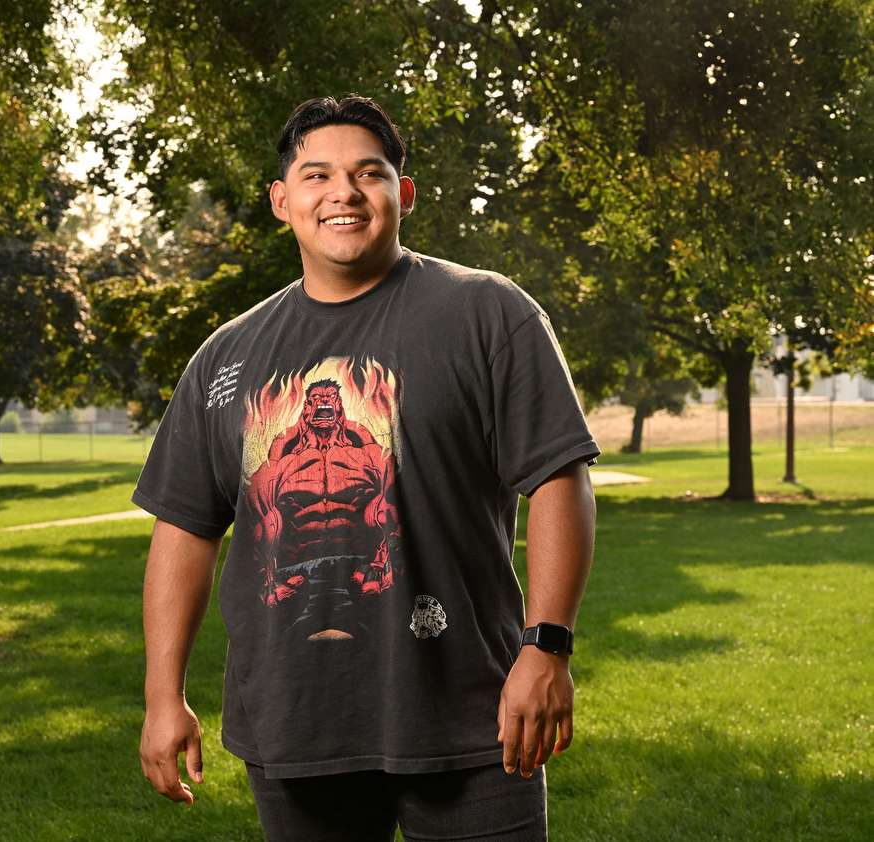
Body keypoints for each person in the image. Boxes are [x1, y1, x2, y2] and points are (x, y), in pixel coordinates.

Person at [134, 94, 599, 841]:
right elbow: (185, 528)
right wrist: (164, 696)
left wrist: (547, 648)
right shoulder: (226, 356)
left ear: (402, 193)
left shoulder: (488, 313)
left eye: (368, 173)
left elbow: (558, 479)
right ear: (283, 201)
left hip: (470, 713)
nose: (343, 193)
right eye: (316, 175)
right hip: (293, 723)